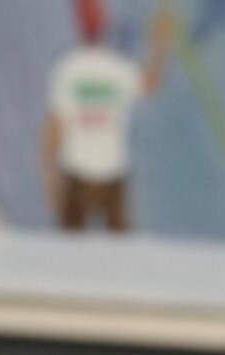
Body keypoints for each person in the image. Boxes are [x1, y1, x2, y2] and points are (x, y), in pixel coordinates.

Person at [46, 0, 149, 224]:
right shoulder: (70, 69)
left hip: (110, 176)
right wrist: (53, 186)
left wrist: (160, 45)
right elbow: (54, 132)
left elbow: (147, 85)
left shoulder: (86, 68)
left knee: (118, 254)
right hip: (80, 175)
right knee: (71, 250)